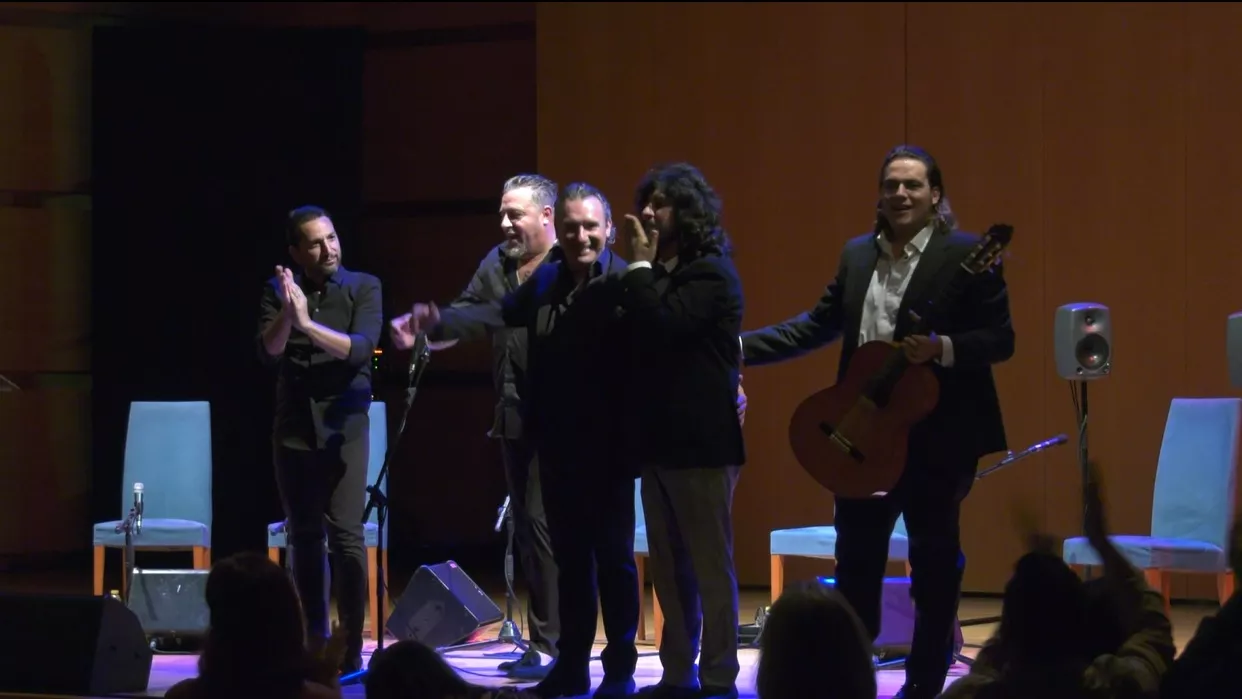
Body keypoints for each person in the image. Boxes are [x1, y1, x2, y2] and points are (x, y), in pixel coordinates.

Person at [740, 144, 1014, 699]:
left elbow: (1000, 340)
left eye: (913, 185)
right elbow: (815, 326)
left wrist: (941, 347)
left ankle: (925, 684)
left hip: (937, 436)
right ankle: (846, 682)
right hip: (860, 438)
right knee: (856, 563)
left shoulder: (964, 255)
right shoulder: (857, 256)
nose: (900, 194)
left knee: (935, 564)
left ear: (935, 194)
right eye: (891, 185)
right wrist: (736, 347)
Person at [395, 183, 639, 699]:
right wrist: (437, 321)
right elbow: (495, 313)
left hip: (611, 447)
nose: (579, 236)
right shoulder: (548, 278)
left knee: (614, 560)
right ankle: (571, 667)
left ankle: (619, 669)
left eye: (590, 227)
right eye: (572, 228)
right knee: (571, 561)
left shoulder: (624, 280)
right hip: (555, 442)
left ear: (609, 230)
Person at [388, 174, 562, 675]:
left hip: (569, 421)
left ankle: (557, 646)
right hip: (514, 418)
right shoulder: (497, 262)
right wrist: (430, 329)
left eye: (517, 214)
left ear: (547, 216)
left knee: (552, 530)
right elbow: (465, 316)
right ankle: (548, 645)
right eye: (502, 213)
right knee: (532, 531)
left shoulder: (568, 264)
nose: (506, 223)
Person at [617, 162, 746, 699]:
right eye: (647, 200)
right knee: (669, 570)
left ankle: (718, 678)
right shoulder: (653, 275)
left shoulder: (709, 273)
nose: (649, 211)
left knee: (710, 569)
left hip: (702, 443)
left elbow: (666, 329)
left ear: (688, 213)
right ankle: (676, 674)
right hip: (658, 444)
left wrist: (642, 269)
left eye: (663, 203)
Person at [256, 205, 383, 674]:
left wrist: (308, 325)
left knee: (346, 537)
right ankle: (315, 637)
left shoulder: (364, 286)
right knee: (304, 536)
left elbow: (360, 348)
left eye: (331, 238)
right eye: (314, 242)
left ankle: (351, 646)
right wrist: (290, 316)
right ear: (295, 251)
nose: (327, 248)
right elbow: (269, 352)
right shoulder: (277, 292)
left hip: (345, 426)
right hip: (293, 428)